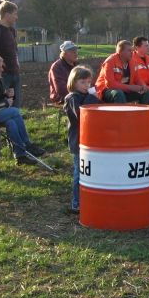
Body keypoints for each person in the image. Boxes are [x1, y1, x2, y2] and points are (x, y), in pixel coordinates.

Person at [0, 55, 45, 165]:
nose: (2, 70)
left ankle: (20, 156)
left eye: (1, 67)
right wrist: (5, 103)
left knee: (11, 123)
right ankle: (27, 144)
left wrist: (6, 95)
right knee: (14, 111)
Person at [63, 66, 101, 212]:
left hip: (91, 141)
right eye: (83, 83)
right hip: (79, 141)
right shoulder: (72, 98)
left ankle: (90, 197)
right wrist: (92, 98)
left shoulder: (87, 97)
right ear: (74, 82)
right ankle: (76, 202)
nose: (87, 86)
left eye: (88, 82)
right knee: (80, 172)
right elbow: (81, 115)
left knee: (91, 171)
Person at [95, 40, 149, 104]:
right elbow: (110, 84)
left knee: (146, 93)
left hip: (125, 90)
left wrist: (143, 86)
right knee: (118, 94)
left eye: (132, 50)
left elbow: (137, 78)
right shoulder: (110, 62)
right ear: (120, 52)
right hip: (106, 90)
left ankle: (143, 113)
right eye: (129, 50)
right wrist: (130, 88)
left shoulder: (132, 61)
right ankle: (122, 114)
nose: (132, 52)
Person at [49, 41, 79, 105]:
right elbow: (61, 89)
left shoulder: (77, 65)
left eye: (76, 51)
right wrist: (80, 92)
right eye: (72, 51)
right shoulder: (56, 67)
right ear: (64, 53)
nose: (76, 53)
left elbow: (87, 80)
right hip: (61, 98)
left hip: (77, 94)